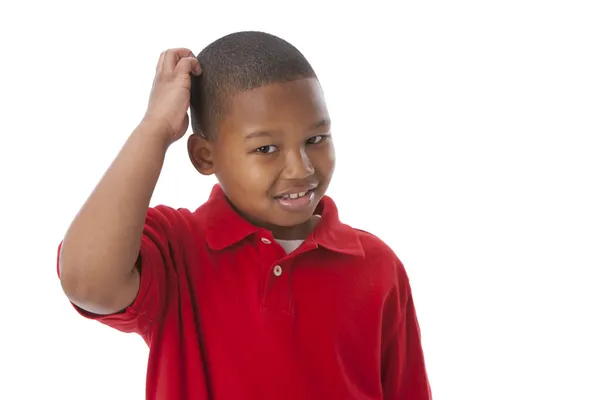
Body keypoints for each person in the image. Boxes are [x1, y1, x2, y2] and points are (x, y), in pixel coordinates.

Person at [57, 31, 431, 400]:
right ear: (205, 156)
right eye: (266, 148)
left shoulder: (378, 266)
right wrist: (154, 128)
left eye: (315, 140)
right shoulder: (176, 249)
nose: (300, 169)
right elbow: (87, 282)